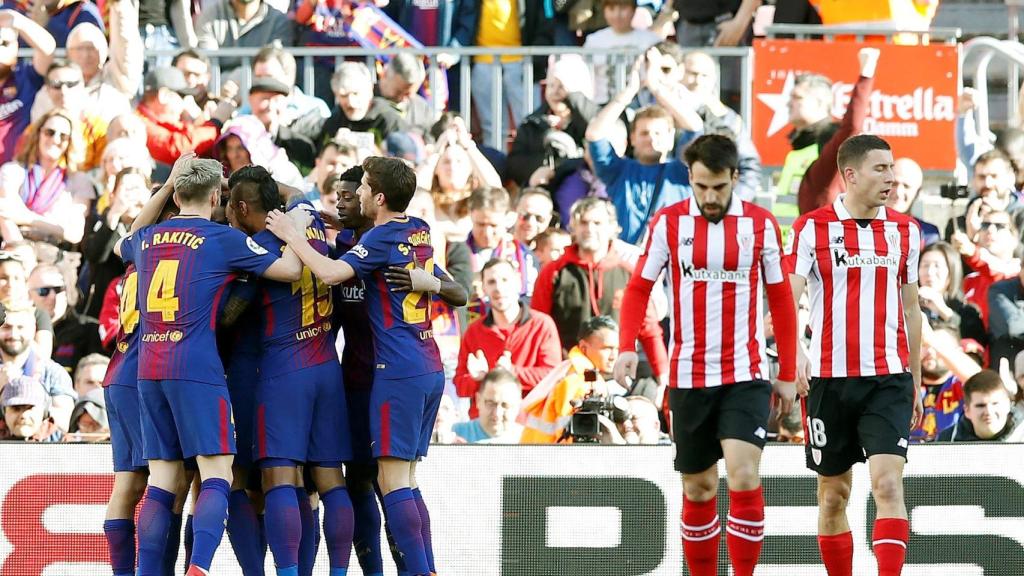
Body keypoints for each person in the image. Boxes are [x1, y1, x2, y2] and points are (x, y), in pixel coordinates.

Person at [264, 156, 468, 576]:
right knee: (388, 481)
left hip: (393, 372)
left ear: (374, 197)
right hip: (401, 369)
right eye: (338, 195)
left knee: (389, 483)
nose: (344, 200)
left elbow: (335, 272)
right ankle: (409, 568)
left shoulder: (376, 242)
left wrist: (291, 234)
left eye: (352, 192)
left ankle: (418, 569)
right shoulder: (417, 230)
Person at [112, 153, 306, 576]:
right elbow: (291, 269)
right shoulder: (223, 239)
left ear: (176, 193)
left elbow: (124, 238)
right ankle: (199, 566)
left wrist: (165, 186)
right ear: (217, 194)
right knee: (217, 473)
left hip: (150, 368)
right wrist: (295, 229)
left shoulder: (146, 239)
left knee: (163, 480)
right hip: (197, 368)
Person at [613, 134, 797, 576]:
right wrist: (625, 348)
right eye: (701, 187)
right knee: (698, 488)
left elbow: (782, 300)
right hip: (689, 375)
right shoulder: (669, 223)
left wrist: (787, 370)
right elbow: (639, 287)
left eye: (718, 186)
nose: (709, 197)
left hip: (745, 373)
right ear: (690, 180)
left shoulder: (759, 225)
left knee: (743, 474)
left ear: (735, 177)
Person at [787, 134, 923, 576]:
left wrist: (917, 380)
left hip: (888, 378)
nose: (892, 177)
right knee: (833, 495)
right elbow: (788, 299)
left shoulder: (906, 231)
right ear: (851, 174)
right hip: (829, 378)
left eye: (892, 167)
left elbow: (910, 307)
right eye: (881, 168)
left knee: (887, 484)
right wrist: (796, 354)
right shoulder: (812, 228)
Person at [225, 165, 355, 576]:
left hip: (282, 368)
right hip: (325, 363)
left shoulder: (262, 245)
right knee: (329, 480)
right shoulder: (311, 224)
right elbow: (296, 191)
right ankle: (336, 571)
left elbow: (228, 316)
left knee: (278, 477)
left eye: (231, 204)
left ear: (243, 207)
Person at [532, 197, 669, 373]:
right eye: (583, 223)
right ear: (573, 227)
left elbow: (649, 329)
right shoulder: (553, 272)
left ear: (612, 227)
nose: (589, 229)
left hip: (618, 372)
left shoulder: (627, 273)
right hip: (568, 373)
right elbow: (539, 326)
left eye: (597, 223)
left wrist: (662, 372)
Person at [584, 60, 691, 245]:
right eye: (644, 133)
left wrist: (657, 88)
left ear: (671, 136)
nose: (651, 138)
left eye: (658, 133)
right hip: (627, 264)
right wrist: (629, 92)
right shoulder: (618, 170)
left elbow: (695, 127)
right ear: (632, 138)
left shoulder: (683, 170)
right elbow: (594, 134)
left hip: (673, 261)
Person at [454, 258, 561, 410]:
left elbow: (553, 375)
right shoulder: (474, 332)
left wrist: (511, 371)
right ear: (483, 288)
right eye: (491, 282)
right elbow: (460, 385)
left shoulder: (542, 325)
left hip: (530, 422)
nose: (498, 288)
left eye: (505, 280)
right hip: (485, 425)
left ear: (518, 282)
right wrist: (479, 378)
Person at [519, 315, 621, 443]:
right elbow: (569, 434)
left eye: (617, 349)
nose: (613, 356)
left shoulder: (571, 370)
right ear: (584, 347)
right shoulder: (579, 380)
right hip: (551, 456)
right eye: (607, 348)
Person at [0, 107, 90, 244]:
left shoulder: (79, 181)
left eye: (63, 136)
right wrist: (21, 250)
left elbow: (74, 233)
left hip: (55, 255)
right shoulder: (13, 170)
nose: (55, 140)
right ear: (38, 134)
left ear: (70, 142)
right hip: (16, 249)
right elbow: (4, 214)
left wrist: (26, 218)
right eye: (50, 132)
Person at [0, 302, 76, 430]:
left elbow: (66, 423)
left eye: (20, 327)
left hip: (43, 448)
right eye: (6, 327)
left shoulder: (52, 372)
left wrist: (32, 401)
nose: (13, 334)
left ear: (33, 329)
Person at [0, 9, 56, 164]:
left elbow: (48, 49)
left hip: (18, 174)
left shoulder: (26, 77)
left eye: (4, 43)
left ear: (17, 47)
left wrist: (16, 20)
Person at [27, 263, 103, 374]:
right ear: (28, 295)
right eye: (43, 291)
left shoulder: (90, 329)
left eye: (58, 289)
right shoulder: (18, 330)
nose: (53, 296)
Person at [194, 0, 294, 77]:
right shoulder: (209, 16)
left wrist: (241, 81)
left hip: (262, 90)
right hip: (219, 91)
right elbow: (207, 64)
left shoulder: (278, 20)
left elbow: (276, 66)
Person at [939, 369, 1024, 442]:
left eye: (995, 403)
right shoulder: (948, 439)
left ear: (1008, 405)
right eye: (980, 406)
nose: (988, 411)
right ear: (967, 411)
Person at [453, 368, 524, 443]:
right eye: (490, 404)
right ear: (478, 401)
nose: (497, 413)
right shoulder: (455, 435)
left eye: (505, 405)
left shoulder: (529, 439)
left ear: (518, 406)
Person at [886, 157, 940, 246]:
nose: (898, 192)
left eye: (906, 186)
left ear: (918, 192)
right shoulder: (862, 228)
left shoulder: (928, 234)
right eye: (894, 184)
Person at [1, 374, 64, 441]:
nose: (23, 415)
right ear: (3, 412)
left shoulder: (66, 443)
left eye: (30, 408)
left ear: (44, 413)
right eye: (16, 408)